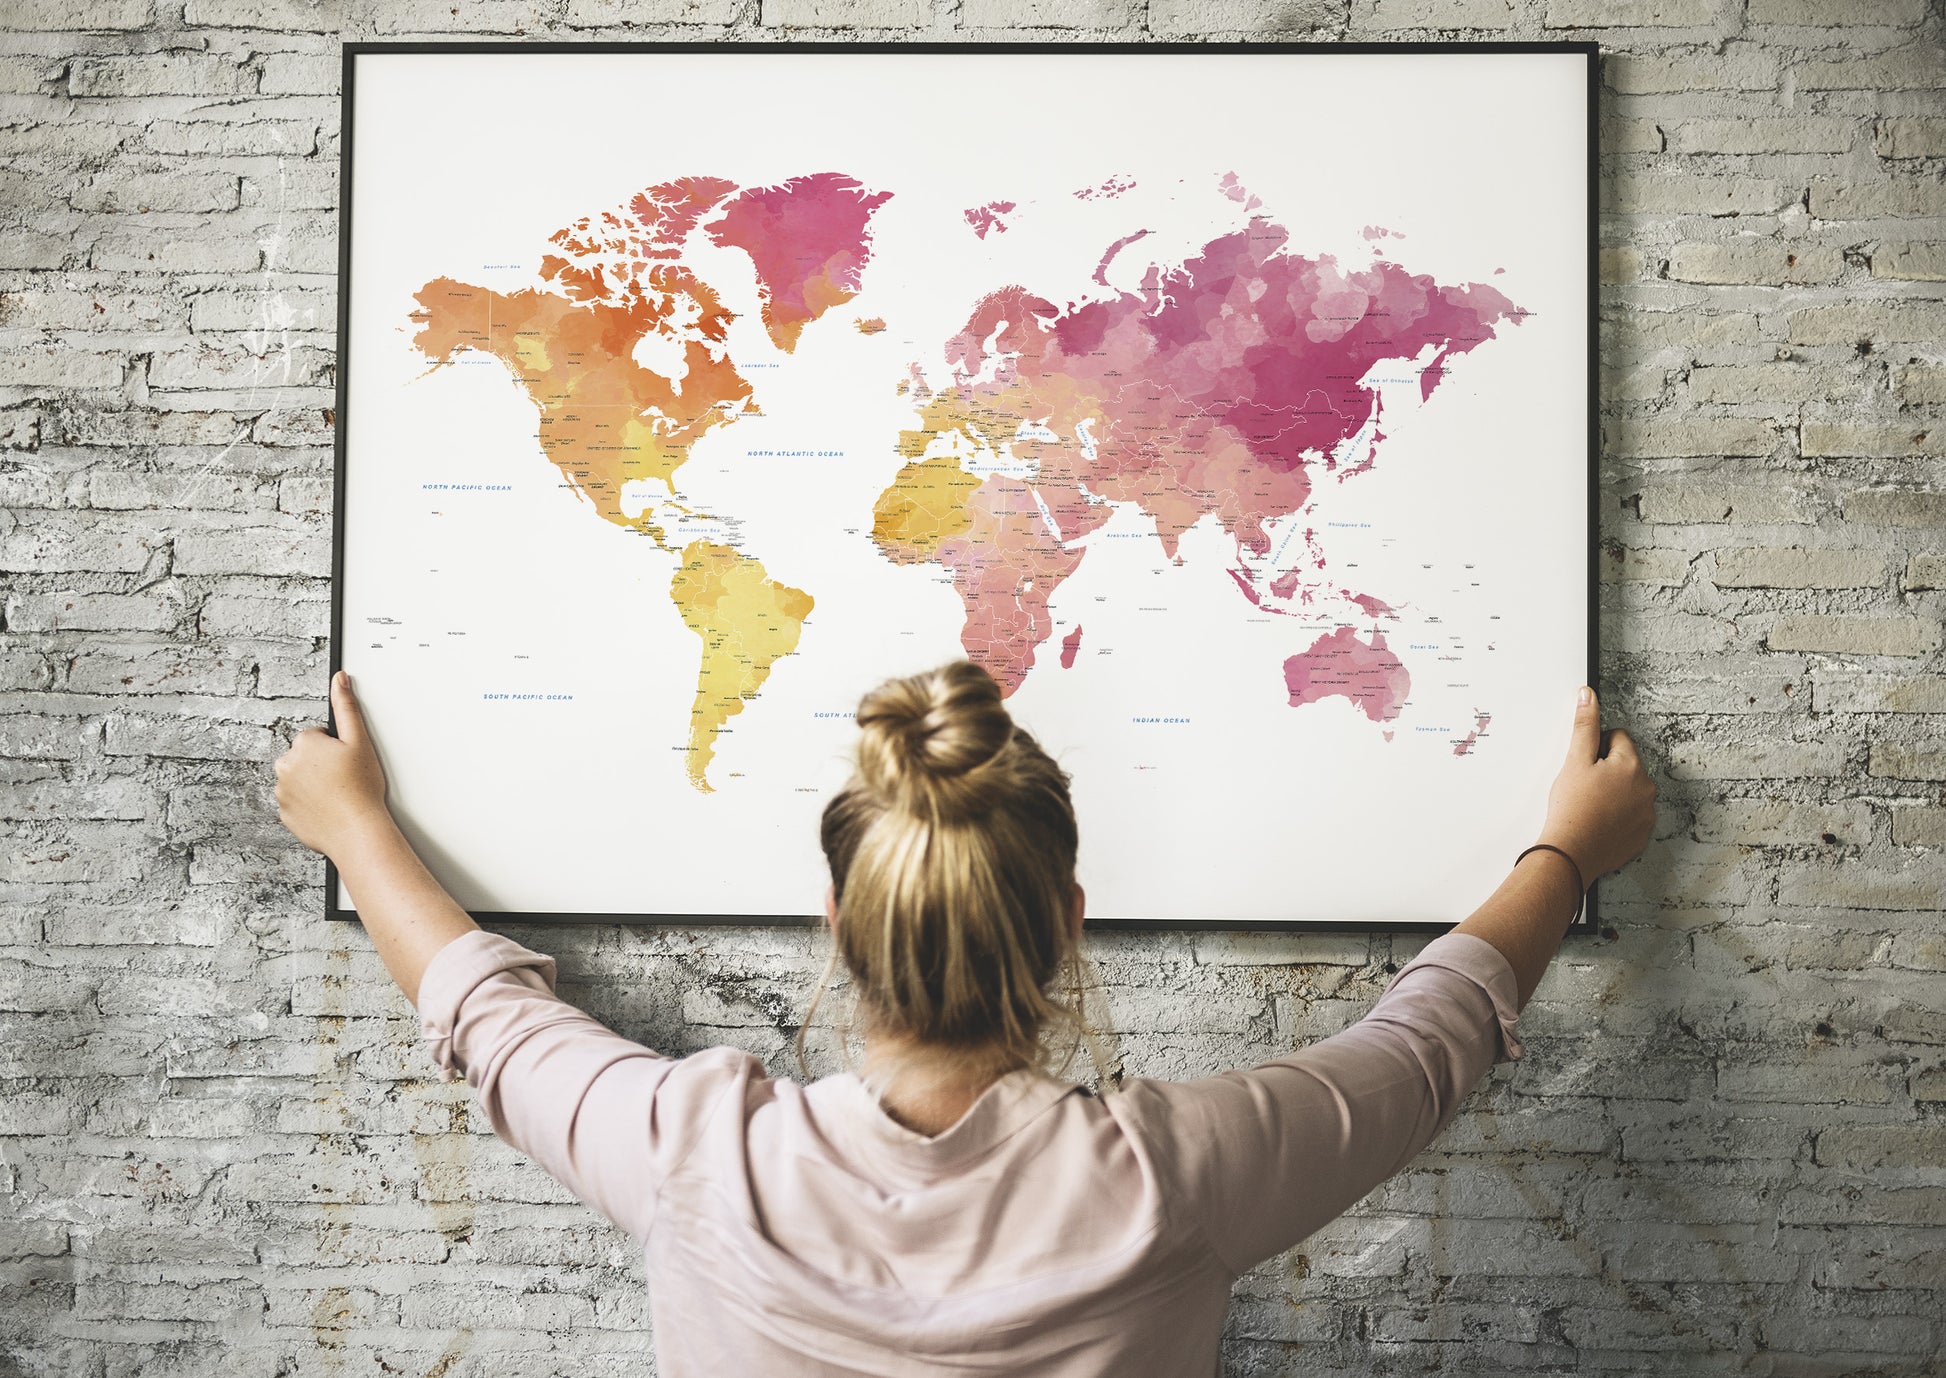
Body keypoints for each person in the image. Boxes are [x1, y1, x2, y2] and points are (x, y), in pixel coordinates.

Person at [275, 661, 1654, 1376]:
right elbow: (1426, 1043)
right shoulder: (1175, 1179)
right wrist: (1565, 856)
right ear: (1066, 917)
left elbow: (488, 1014)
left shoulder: (695, 1154)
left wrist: (352, 827)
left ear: (836, 927)